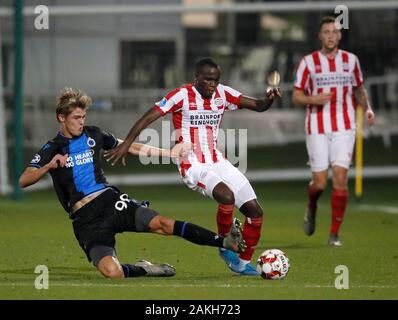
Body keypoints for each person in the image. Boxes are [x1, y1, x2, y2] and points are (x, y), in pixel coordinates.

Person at [19, 87, 246, 280]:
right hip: (85, 219)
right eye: (76, 118)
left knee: (163, 224)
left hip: (110, 201)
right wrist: (49, 166)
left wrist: (169, 153)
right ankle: (144, 268)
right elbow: (24, 180)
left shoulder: (94, 135)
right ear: (61, 118)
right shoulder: (53, 148)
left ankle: (224, 242)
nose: (81, 122)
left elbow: (131, 147)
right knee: (112, 272)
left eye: (83, 117)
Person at [105, 57, 282, 275]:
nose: (212, 84)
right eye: (208, 79)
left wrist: (269, 99)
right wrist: (127, 144)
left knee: (255, 212)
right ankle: (225, 244)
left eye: (216, 80)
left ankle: (241, 264)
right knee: (226, 196)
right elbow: (148, 117)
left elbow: (257, 105)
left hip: (218, 160)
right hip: (192, 163)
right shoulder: (181, 95)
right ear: (196, 78)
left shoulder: (223, 94)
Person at [292, 16, 375, 246]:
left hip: (345, 126)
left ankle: (334, 234)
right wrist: (314, 98)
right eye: (326, 31)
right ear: (320, 36)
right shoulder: (308, 62)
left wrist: (367, 109)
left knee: (340, 178)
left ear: (340, 35)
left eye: (334, 32)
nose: (330, 35)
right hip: (317, 126)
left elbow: (359, 89)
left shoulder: (351, 61)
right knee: (319, 183)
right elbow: (296, 96)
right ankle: (311, 206)